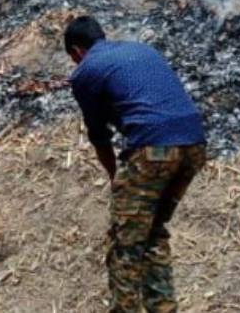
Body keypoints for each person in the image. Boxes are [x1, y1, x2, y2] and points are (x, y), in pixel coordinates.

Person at [64, 15, 207, 313]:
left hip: (152, 149)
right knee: (152, 231)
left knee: (124, 243)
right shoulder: (142, 51)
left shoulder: (86, 71)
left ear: (77, 52)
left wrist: (116, 176)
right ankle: (162, 308)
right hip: (194, 145)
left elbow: (99, 137)